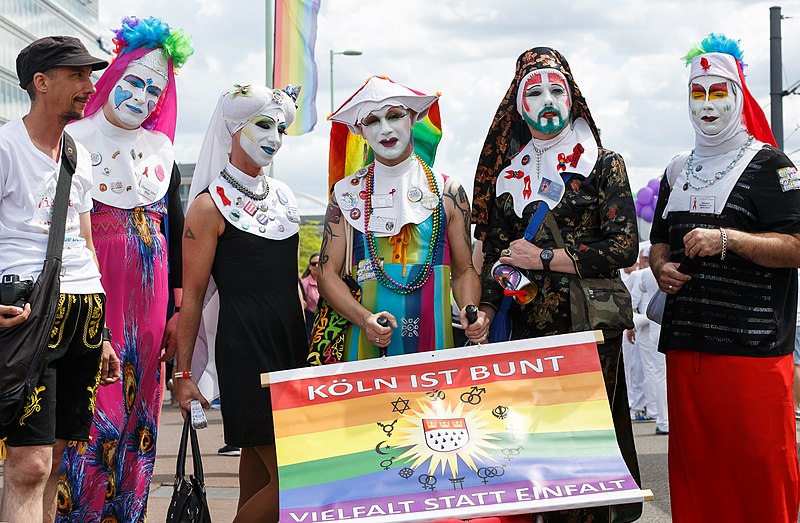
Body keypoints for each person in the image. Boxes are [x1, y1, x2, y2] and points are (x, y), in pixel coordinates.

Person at [471, 47, 641, 522]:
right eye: (535, 92)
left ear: (572, 99)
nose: (547, 100)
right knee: (536, 456)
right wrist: (485, 310)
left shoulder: (603, 163)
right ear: (519, 106)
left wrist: (545, 257)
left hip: (589, 332)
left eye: (556, 90)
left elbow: (624, 247)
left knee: (586, 454)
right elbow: (498, 259)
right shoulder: (509, 178)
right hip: (527, 333)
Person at [649, 34, 800, 522]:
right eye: (699, 93)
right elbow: (657, 244)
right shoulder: (676, 170)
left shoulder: (772, 166)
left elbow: (798, 246)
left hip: (751, 353)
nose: (708, 105)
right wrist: (660, 267)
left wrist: (728, 240)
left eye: (719, 92)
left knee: (758, 473)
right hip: (687, 348)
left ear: (738, 95)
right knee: (698, 474)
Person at [51, 17, 192, 522]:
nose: (142, 97)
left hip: (153, 315)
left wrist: (179, 310)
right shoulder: (70, 142)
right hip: (91, 302)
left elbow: (174, 236)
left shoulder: (163, 154)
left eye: (155, 91)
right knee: (90, 417)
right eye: (134, 81)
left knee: (141, 420)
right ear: (112, 78)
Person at [0, 36, 120, 523]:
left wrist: (106, 332)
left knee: (54, 461)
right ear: (41, 82)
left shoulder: (79, 154)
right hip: (28, 309)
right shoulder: (6, 146)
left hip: (84, 310)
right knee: (28, 464)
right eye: (77, 75)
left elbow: (86, 243)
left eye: (89, 75)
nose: (89, 86)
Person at [176, 83, 307, 523]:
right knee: (296, 478)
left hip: (291, 344)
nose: (274, 136)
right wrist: (183, 373)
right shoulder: (207, 207)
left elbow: (290, 284)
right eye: (263, 125)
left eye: (281, 128)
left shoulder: (287, 197)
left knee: (256, 472)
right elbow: (192, 296)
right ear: (233, 128)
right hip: (245, 350)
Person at [318, 75, 489, 360]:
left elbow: (463, 270)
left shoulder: (449, 192)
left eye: (394, 116)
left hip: (436, 343)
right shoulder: (346, 194)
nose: (385, 129)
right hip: (364, 343)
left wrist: (471, 309)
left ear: (412, 118)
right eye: (373, 121)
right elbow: (326, 274)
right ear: (360, 130)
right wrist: (364, 319)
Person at [628, 243, 668, 435]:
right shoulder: (676, 268)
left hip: (654, 329)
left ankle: (663, 420)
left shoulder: (644, 275)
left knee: (656, 374)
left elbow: (634, 302)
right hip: (668, 327)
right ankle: (666, 419)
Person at [300, 253, 320, 338]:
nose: (316, 265)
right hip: (309, 321)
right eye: (313, 264)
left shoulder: (328, 282)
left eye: (319, 263)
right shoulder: (304, 284)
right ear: (309, 267)